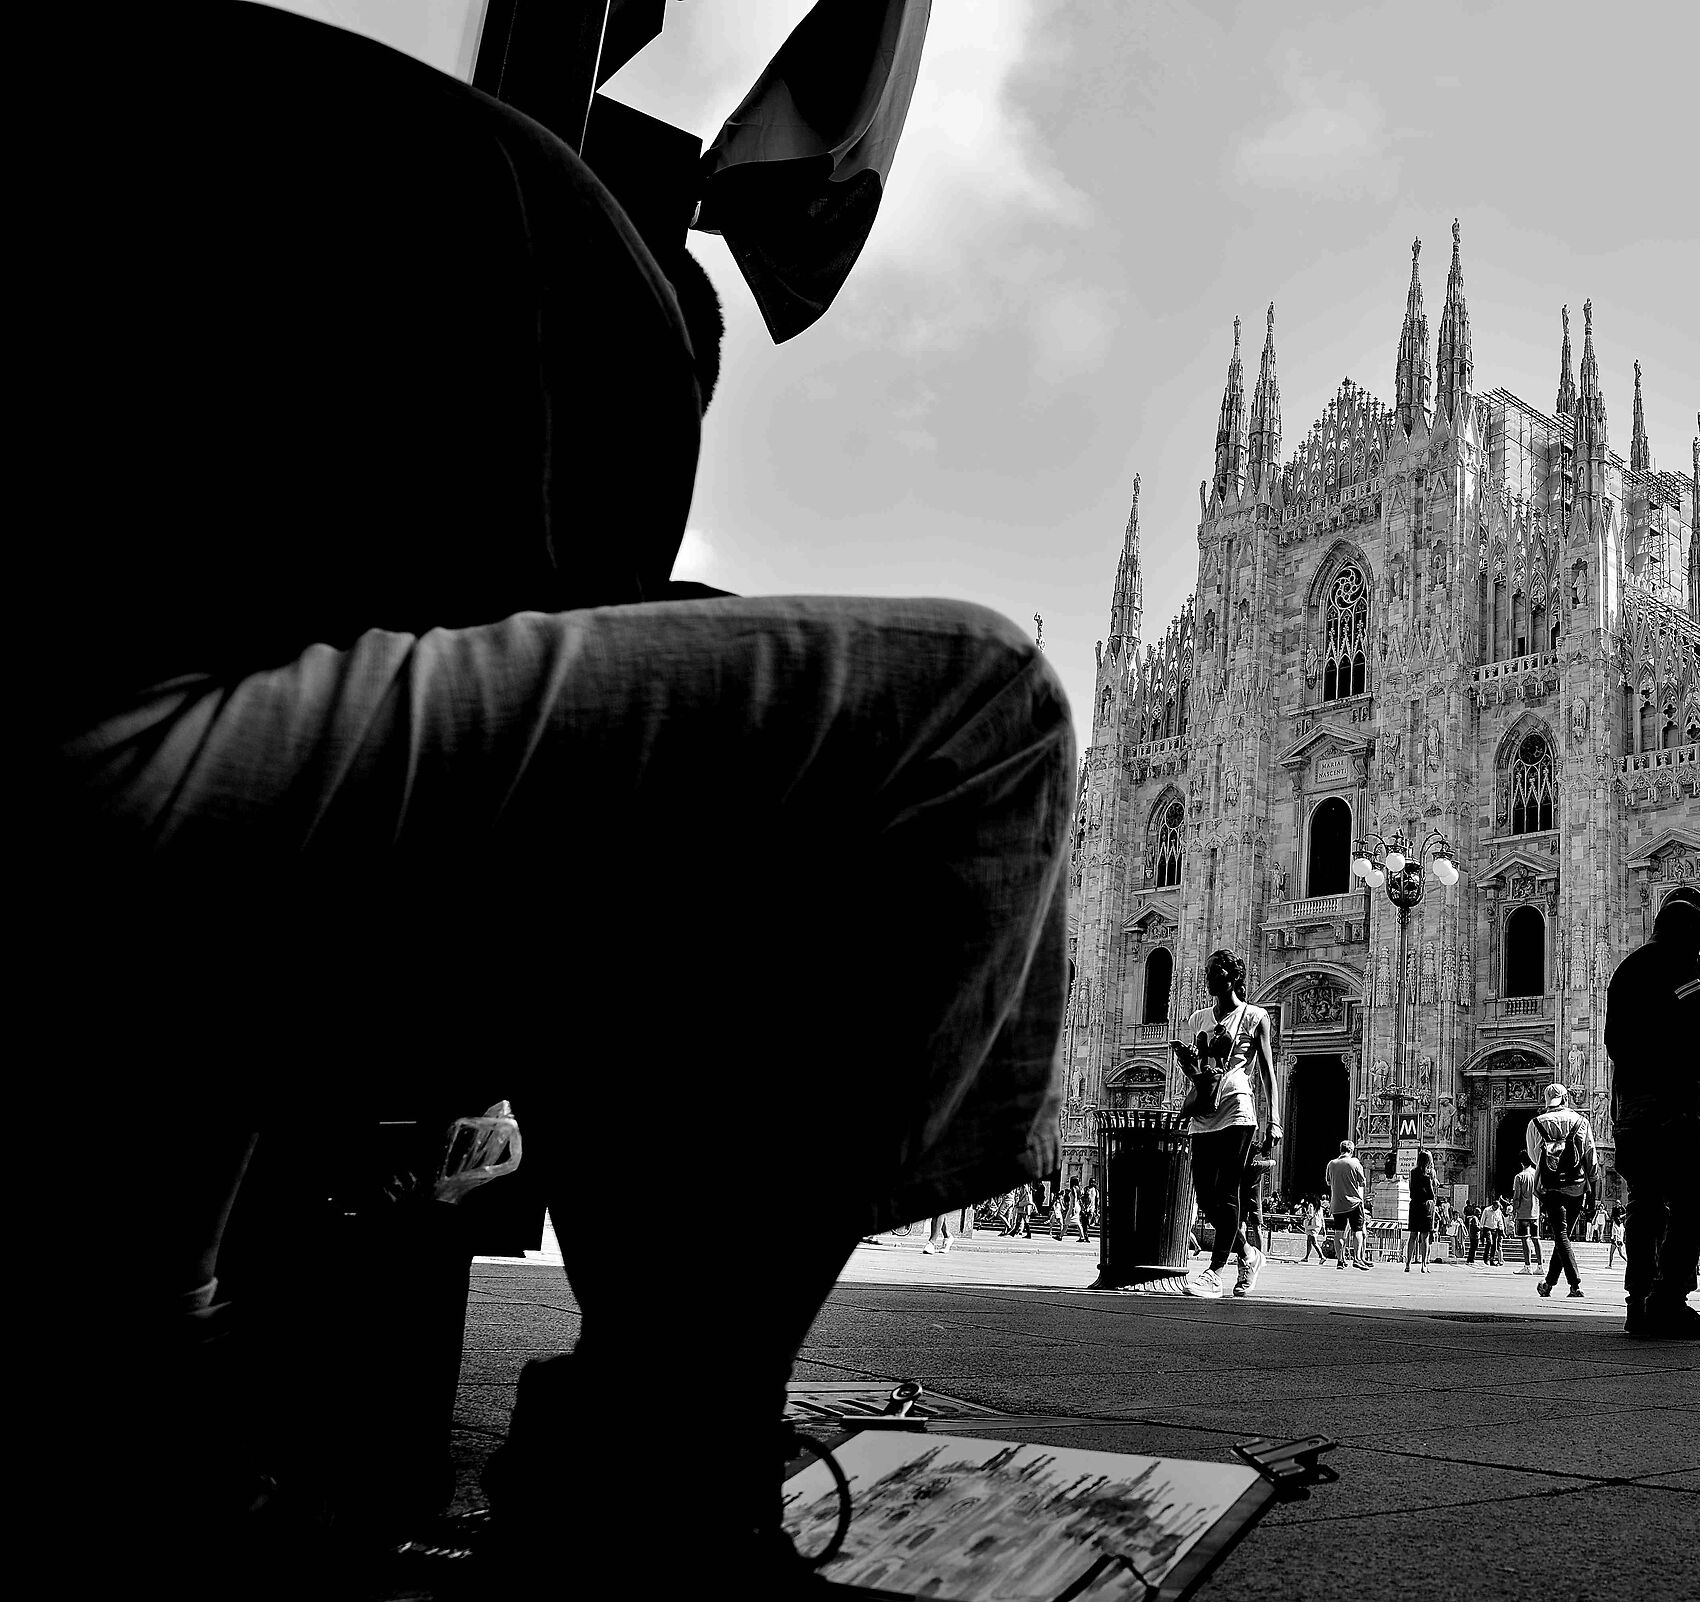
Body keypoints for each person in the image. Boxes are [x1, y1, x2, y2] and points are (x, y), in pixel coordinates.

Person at [44, 7, 1079, 1593]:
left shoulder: (280, 114)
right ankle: (648, 1477)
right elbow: (523, 591)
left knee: (752, 755)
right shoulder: (533, 215)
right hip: (117, 761)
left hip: (159, 749)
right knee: (984, 721)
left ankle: (150, 1398)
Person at [1606, 894, 1700, 1340]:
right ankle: (1669, 1300)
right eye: (1699, 943)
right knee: (1693, 1199)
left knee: (1644, 1201)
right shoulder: (1677, 964)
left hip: (1632, 1103)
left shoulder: (1627, 971)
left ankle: (1638, 1301)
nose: (1699, 952)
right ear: (1692, 939)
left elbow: (1613, 1038)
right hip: (1672, 1106)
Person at [1174, 951, 1280, 1299]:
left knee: (1227, 1191)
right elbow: (1198, 1069)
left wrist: (1274, 1119)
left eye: (1215, 972)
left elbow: (1266, 1070)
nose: (1208, 977)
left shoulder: (1254, 1016)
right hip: (1204, 1110)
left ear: (1233, 977)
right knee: (1204, 1195)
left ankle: (1215, 1271)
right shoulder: (1198, 1018)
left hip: (1237, 1109)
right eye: (1207, 972)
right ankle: (1248, 1253)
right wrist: (1189, 1063)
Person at [1526, 1085, 1597, 1298]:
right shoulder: (1581, 1121)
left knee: (1561, 1235)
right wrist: (1594, 1195)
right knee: (1562, 1235)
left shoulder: (1535, 1123)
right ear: (1566, 1098)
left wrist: (1552, 1162)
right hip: (1577, 1186)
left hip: (1551, 1187)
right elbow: (1590, 1157)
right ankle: (1548, 1283)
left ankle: (1575, 1284)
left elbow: (1533, 1157)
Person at [1325, 1141, 1372, 1269]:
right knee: (1357, 1230)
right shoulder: (1355, 1163)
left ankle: (1340, 1260)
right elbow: (1362, 1182)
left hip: (1337, 1203)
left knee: (1339, 1232)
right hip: (1354, 1203)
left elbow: (1328, 1182)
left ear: (1340, 1149)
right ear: (1351, 1150)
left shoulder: (1331, 1164)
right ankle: (1357, 1258)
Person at [1511, 1153, 1544, 1273]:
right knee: (1536, 1239)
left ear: (1521, 1163)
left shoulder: (1519, 1177)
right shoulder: (1536, 1174)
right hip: (1535, 1212)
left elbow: (1516, 1196)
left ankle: (1527, 1266)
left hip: (1523, 1212)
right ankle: (1540, 1266)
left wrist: (1514, 1210)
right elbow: (1541, 1192)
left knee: (1525, 1239)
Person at [1404, 1153, 1438, 1270]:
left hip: (1414, 1205)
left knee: (1412, 1235)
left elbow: (1410, 1188)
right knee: (1425, 1237)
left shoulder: (1412, 1172)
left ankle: (1408, 1263)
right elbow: (1432, 1193)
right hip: (1426, 1206)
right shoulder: (1429, 1174)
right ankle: (1424, 1264)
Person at [1479, 1199, 1505, 1265]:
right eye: (1495, 1207)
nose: (1496, 1209)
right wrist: (1481, 1228)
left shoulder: (1498, 1212)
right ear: (1493, 1205)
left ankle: (1492, 1259)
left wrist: (1501, 1229)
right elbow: (1483, 1219)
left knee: (1494, 1245)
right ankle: (1486, 1258)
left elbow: (1500, 1221)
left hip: (1495, 1228)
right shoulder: (1487, 1210)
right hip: (1487, 1228)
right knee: (1489, 1242)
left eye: (1497, 1207)